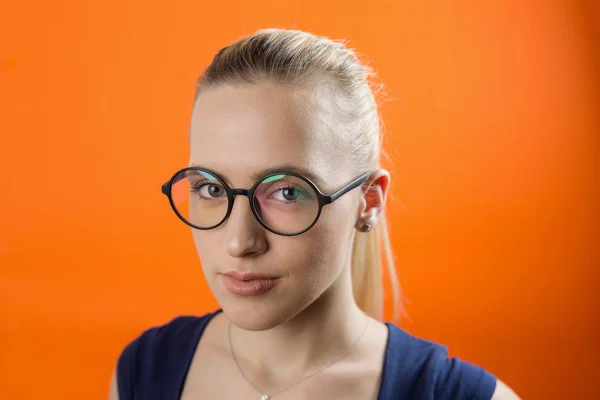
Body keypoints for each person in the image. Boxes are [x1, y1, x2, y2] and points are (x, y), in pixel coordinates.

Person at [109, 28, 520, 400]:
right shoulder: (144, 371)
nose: (239, 241)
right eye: (212, 188)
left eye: (287, 192)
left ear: (369, 201)